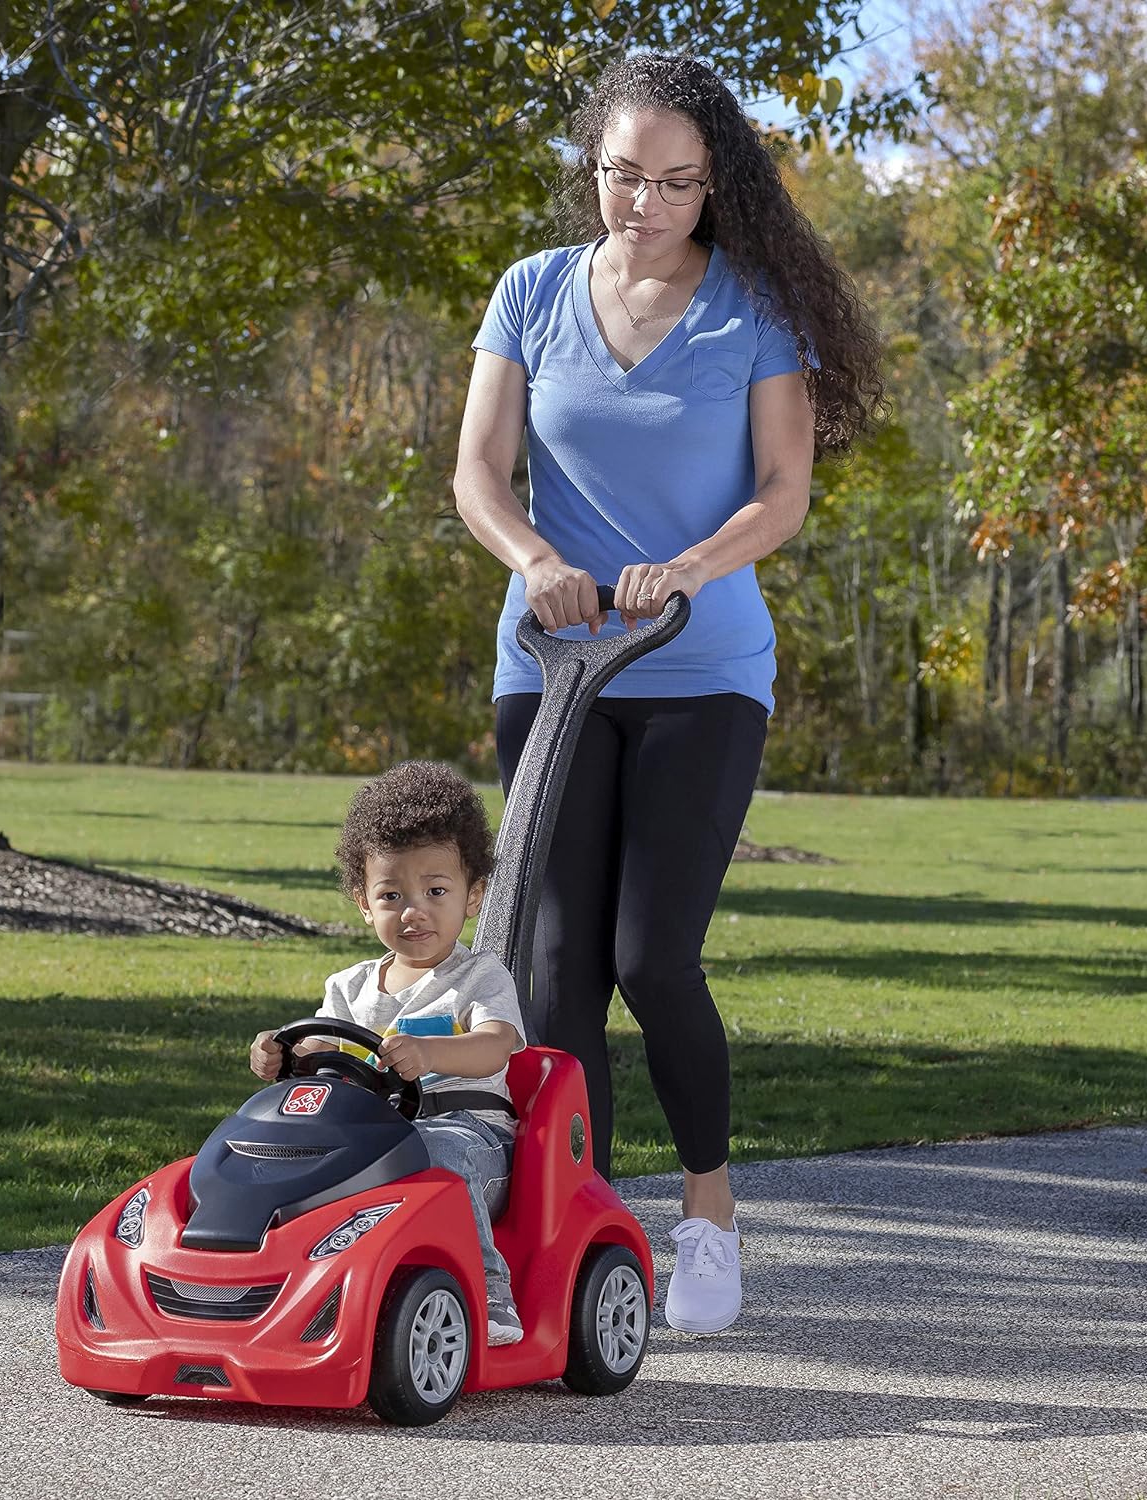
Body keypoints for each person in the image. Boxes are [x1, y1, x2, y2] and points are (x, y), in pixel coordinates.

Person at [453, 53, 883, 1335]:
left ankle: (708, 1215)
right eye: (623, 175)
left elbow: (782, 490)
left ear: (717, 186)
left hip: (701, 670)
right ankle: (582, 1227)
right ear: (595, 162)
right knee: (555, 968)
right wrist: (539, 560)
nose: (644, 203)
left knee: (651, 955)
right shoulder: (531, 292)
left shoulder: (754, 307)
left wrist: (682, 573)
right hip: (553, 664)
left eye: (676, 183)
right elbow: (479, 472)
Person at [249, 760, 527, 1347]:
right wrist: (282, 1057)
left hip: (470, 1137)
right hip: (370, 1141)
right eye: (392, 894)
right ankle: (272, 1287)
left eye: (435, 891)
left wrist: (430, 1051)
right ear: (362, 900)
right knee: (276, 1150)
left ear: (473, 896)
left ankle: (491, 1289)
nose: (413, 910)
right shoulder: (347, 988)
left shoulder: (478, 977)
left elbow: (496, 1047)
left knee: (437, 1149)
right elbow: (321, 1054)